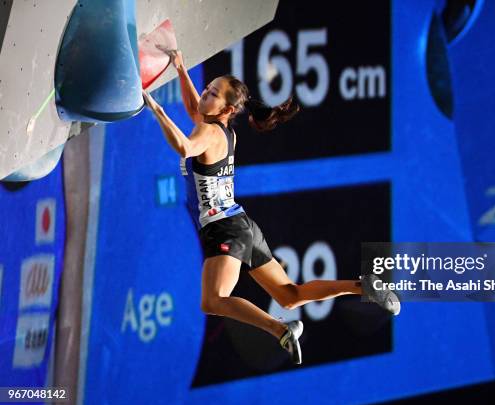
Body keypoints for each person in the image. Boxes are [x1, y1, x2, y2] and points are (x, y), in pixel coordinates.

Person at [142, 49, 400, 365]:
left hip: (223, 228)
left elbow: (184, 145)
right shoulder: (223, 130)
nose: (204, 96)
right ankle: (360, 287)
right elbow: (194, 109)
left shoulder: (208, 132)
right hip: (243, 226)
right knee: (290, 295)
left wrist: (156, 108)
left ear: (228, 108)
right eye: (206, 89)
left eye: (211, 93)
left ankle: (279, 329)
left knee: (214, 300)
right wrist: (181, 69)